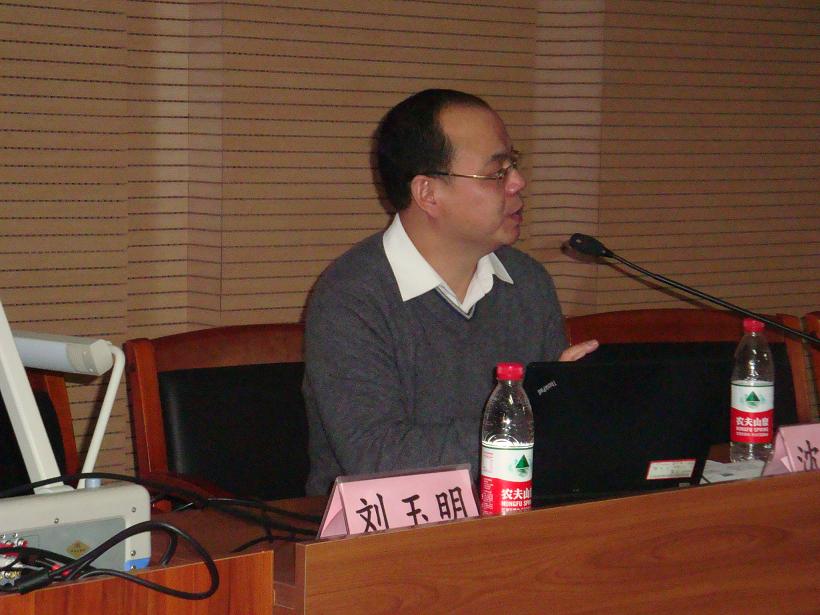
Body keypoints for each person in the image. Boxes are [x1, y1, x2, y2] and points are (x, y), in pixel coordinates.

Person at [303, 89, 597, 495]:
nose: (518, 182)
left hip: (513, 516)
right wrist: (527, 421)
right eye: (496, 172)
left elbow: (557, 441)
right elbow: (378, 457)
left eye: (513, 164)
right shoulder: (352, 297)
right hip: (384, 526)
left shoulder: (527, 283)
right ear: (428, 193)